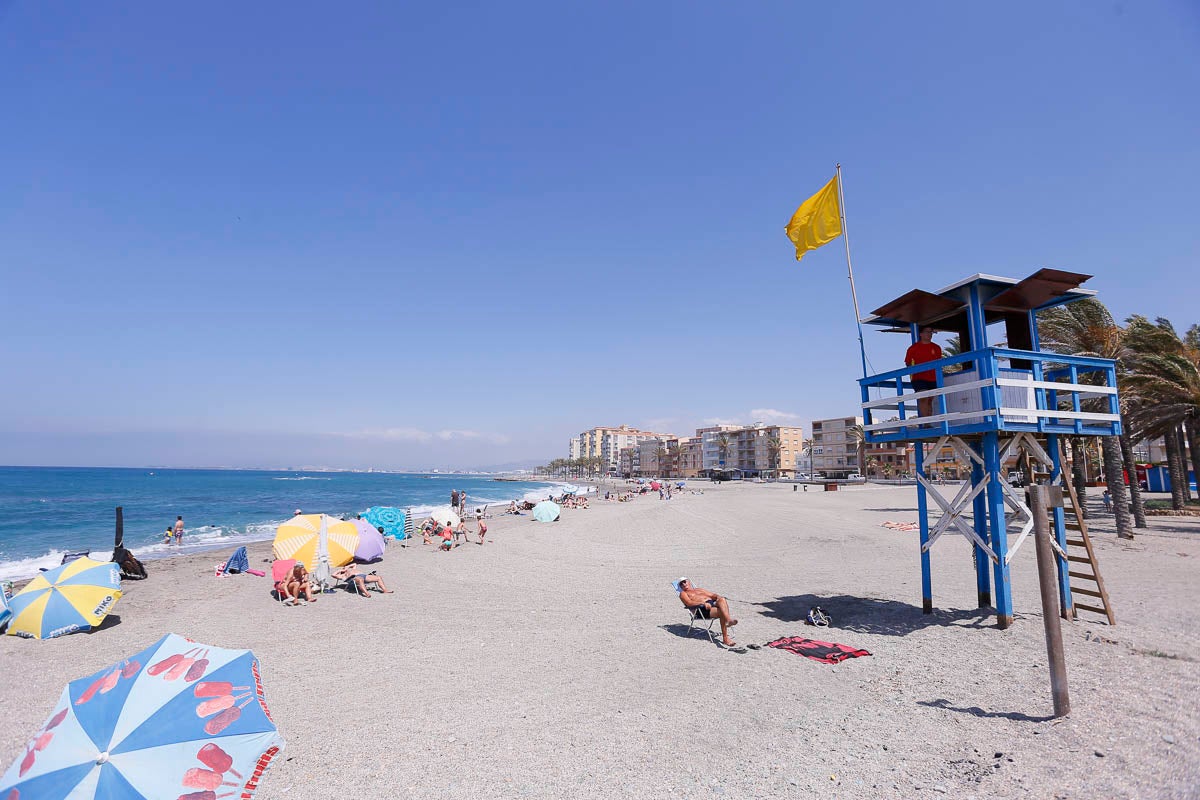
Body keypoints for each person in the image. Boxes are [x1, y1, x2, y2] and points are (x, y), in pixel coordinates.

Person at [676, 578, 739, 647]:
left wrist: (717, 596)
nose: (683, 584)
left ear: (689, 582)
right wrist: (702, 603)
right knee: (721, 612)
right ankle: (725, 638)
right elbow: (689, 603)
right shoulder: (683, 593)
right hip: (700, 609)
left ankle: (728, 621)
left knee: (722, 599)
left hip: (711, 603)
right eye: (681, 584)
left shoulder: (699, 589)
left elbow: (712, 595)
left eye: (684, 582)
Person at [904, 326, 943, 418]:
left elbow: (939, 363)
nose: (929, 334)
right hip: (918, 378)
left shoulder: (936, 348)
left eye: (931, 332)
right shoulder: (913, 348)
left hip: (933, 377)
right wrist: (913, 372)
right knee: (923, 398)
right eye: (927, 332)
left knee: (929, 400)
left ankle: (928, 421)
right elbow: (908, 363)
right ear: (921, 334)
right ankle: (926, 422)